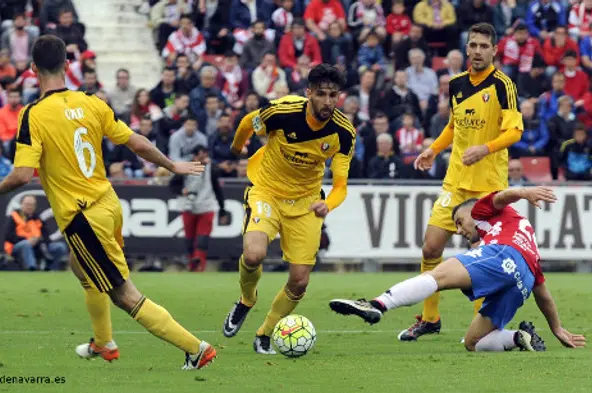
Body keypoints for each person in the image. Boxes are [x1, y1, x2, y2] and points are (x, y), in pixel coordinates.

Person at [0, 35, 216, 370]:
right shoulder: (92, 102)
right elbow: (136, 142)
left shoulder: (34, 114)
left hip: (84, 216)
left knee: (124, 294)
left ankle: (196, 349)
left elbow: (23, 174)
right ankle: (104, 343)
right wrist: (171, 164)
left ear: (31, 70)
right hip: (108, 204)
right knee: (78, 263)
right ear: (67, 66)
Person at [330, 187, 586, 352]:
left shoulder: (481, 211)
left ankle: (378, 304)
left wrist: (524, 192)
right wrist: (557, 328)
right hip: (524, 282)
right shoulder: (525, 240)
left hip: (503, 255)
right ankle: (518, 337)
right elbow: (542, 292)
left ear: (469, 212)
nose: (460, 231)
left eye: (459, 223)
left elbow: (502, 196)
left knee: (436, 275)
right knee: (473, 342)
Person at [222, 64, 356, 354]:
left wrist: (327, 204)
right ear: (308, 93)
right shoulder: (281, 111)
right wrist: (236, 148)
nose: (328, 102)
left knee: (299, 280)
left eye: (333, 95)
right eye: (321, 94)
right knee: (254, 254)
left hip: (307, 202)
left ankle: (265, 333)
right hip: (267, 191)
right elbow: (248, 122)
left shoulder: (344, 133)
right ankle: (246, 300)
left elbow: (341, 186)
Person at [403, 22, 524, 341]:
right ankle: (430, 318)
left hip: (488, 186)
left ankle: (481, 331)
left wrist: (485, 148)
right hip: (455, 182)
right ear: (466, 48)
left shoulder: (503, 85)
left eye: (484, 46)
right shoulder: (456, 84)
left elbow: (515, 131)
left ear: (495, 50)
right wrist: (432, 148)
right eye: (473, 45)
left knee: (483, 257)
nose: (478, 51)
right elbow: (454, 126)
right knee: (431, 245)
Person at [170, 145, 228, 272]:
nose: (203, 159)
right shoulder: (186, 168)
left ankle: (199, 264)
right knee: (190, 239)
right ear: (195, 156)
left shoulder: (211, 169)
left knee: (202, 238)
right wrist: (182, 190)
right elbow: (172, 184)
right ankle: (192, 264)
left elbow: (218, 190)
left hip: (206, 206)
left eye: (205, 156)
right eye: (200, 156)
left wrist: (222, 210)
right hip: (188, 206)